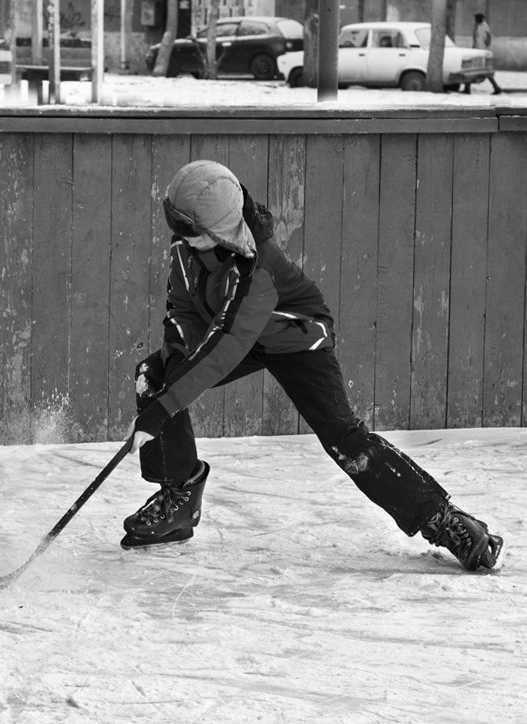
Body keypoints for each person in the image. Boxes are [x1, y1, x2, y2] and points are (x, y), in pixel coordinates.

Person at [121, 160, 504, 573]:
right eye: (174, 224)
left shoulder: (259, 268)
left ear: (215, 229)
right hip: (230, 334)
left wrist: (165, 409)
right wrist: (176, 374)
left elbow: (228, 345)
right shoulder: (186, 250)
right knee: (156, 375)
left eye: (187, 228)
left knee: (345, 439)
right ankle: (179, 496)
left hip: (295, 339)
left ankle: (444, 521)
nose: (179, 235)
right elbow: (182, 313)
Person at [465, 13, 502, 94]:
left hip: (482, 51)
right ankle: (467, 88)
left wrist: (485, 47)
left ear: (478, 20)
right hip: (477, 51)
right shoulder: (478, 26)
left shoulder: (484, 27)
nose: (474, 21)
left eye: (475, 19)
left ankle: (467, 88)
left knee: (476, 69)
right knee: (473, 69)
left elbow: (488, 38)